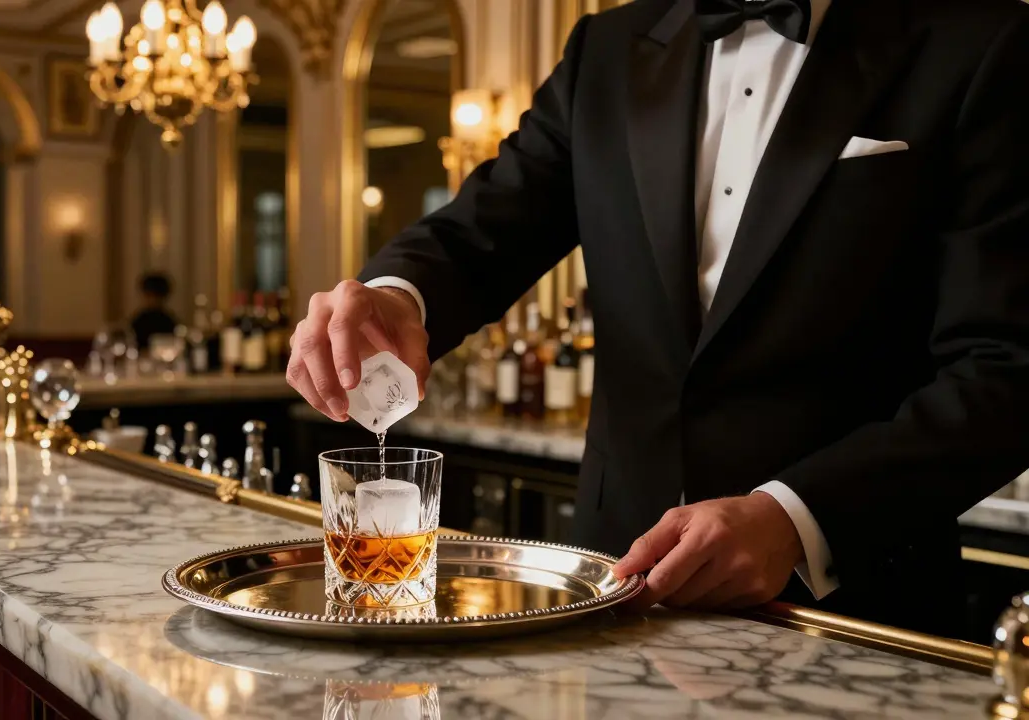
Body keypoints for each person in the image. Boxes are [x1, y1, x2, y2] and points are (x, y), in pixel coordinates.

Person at [287, 0, 1029, 637]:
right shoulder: (607, 49)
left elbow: (1008, 371)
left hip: (857, 606)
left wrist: (794, 519)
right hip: (612, 593)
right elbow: (483, 229)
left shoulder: (983, 40)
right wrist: (392, 295)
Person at [129, 273, 179, 351]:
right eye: (150, 295)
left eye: (156, 296)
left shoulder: (169, 322)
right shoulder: (138, 322)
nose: (153, 300)